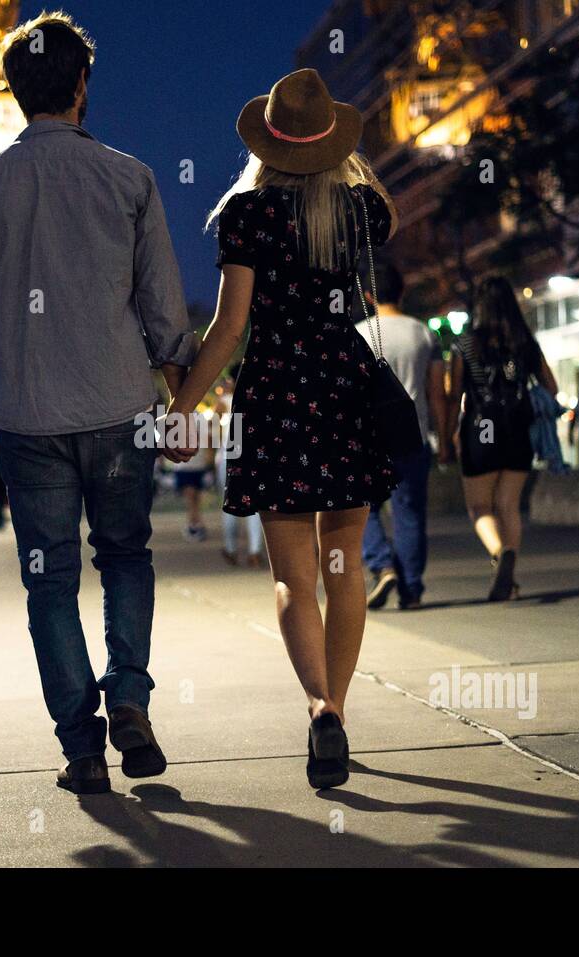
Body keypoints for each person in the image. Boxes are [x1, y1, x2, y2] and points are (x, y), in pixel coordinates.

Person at [0, 12, 197, 795]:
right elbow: (165, 313)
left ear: (13, 93)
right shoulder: (132, 178)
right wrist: (179, 404)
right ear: (83, 86)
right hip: (117, 408)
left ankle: (81, 749)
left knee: (49, 581)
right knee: (125, 558)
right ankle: (132, 699)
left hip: (25, 417)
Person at [166, 68, 397, 790]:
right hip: (345, 384)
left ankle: (317, 706)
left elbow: (230, 325)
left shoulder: (248, 215)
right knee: (344, 562)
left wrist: (182, 406)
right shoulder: (362, 209)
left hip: (277, 392)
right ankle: (340, 709)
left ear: (267, 142)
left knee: (295, 577)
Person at [442, 276, 558, 601]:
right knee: (509, 506)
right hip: (518, 430)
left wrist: (448, 437)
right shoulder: (525, 343)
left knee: (479, 507)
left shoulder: (465, 344)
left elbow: (454, 395)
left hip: (480, 430)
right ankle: (511, 576)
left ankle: (498, 553)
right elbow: (552, 388)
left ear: (480, 306)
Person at [355, 260, 445, 610]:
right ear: (403, 291)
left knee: (364, 509)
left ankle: (381, 565)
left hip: (368, 438)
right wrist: (445, 436)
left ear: (367, 295)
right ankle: (412, 588)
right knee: (409, 513)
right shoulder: (424, 334)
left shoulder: (359, 334)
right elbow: (437, 392)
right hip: (413, 435)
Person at [214, 374, 264, 567]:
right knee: (255, 507)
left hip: (229, 457)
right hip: (253, 457)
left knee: (229, 506)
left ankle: (230, 548)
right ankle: (254, 551)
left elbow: (212, 427)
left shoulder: (226, 401)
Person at [168, 410, 211, 541]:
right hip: (187, 465)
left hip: (193, 464)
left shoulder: (178, 416)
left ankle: (194, 525)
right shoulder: (197, 417)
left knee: (194, 498)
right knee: (192, 497)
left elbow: (208, 441)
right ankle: (195, 525)